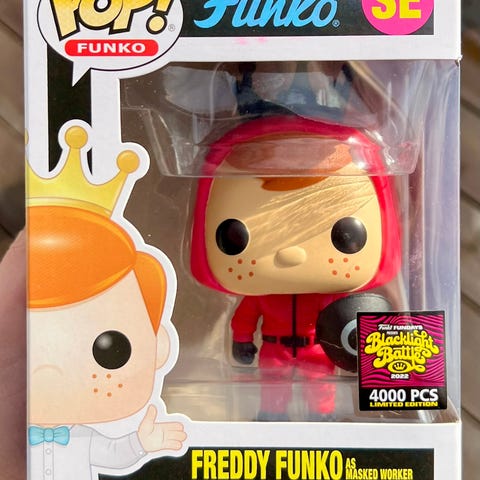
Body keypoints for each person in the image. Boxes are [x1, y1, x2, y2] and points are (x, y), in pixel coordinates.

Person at [191, 115, 401, 420]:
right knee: (272, 389)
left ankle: (322, 417)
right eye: (237, 237)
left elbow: (345, 319)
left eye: (344, 235)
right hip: (274, 350)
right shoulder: (261, 297)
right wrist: (241, 342)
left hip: (316, 348)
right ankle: (272, 415)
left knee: (321, 389)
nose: (292, 255)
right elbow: (244, 318)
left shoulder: (326, 297)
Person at [26, 125, 186, 479]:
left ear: (157, 344)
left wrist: (142, 442)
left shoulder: (83, 438)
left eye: (111, 349)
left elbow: (114, 455)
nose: (48, 371)